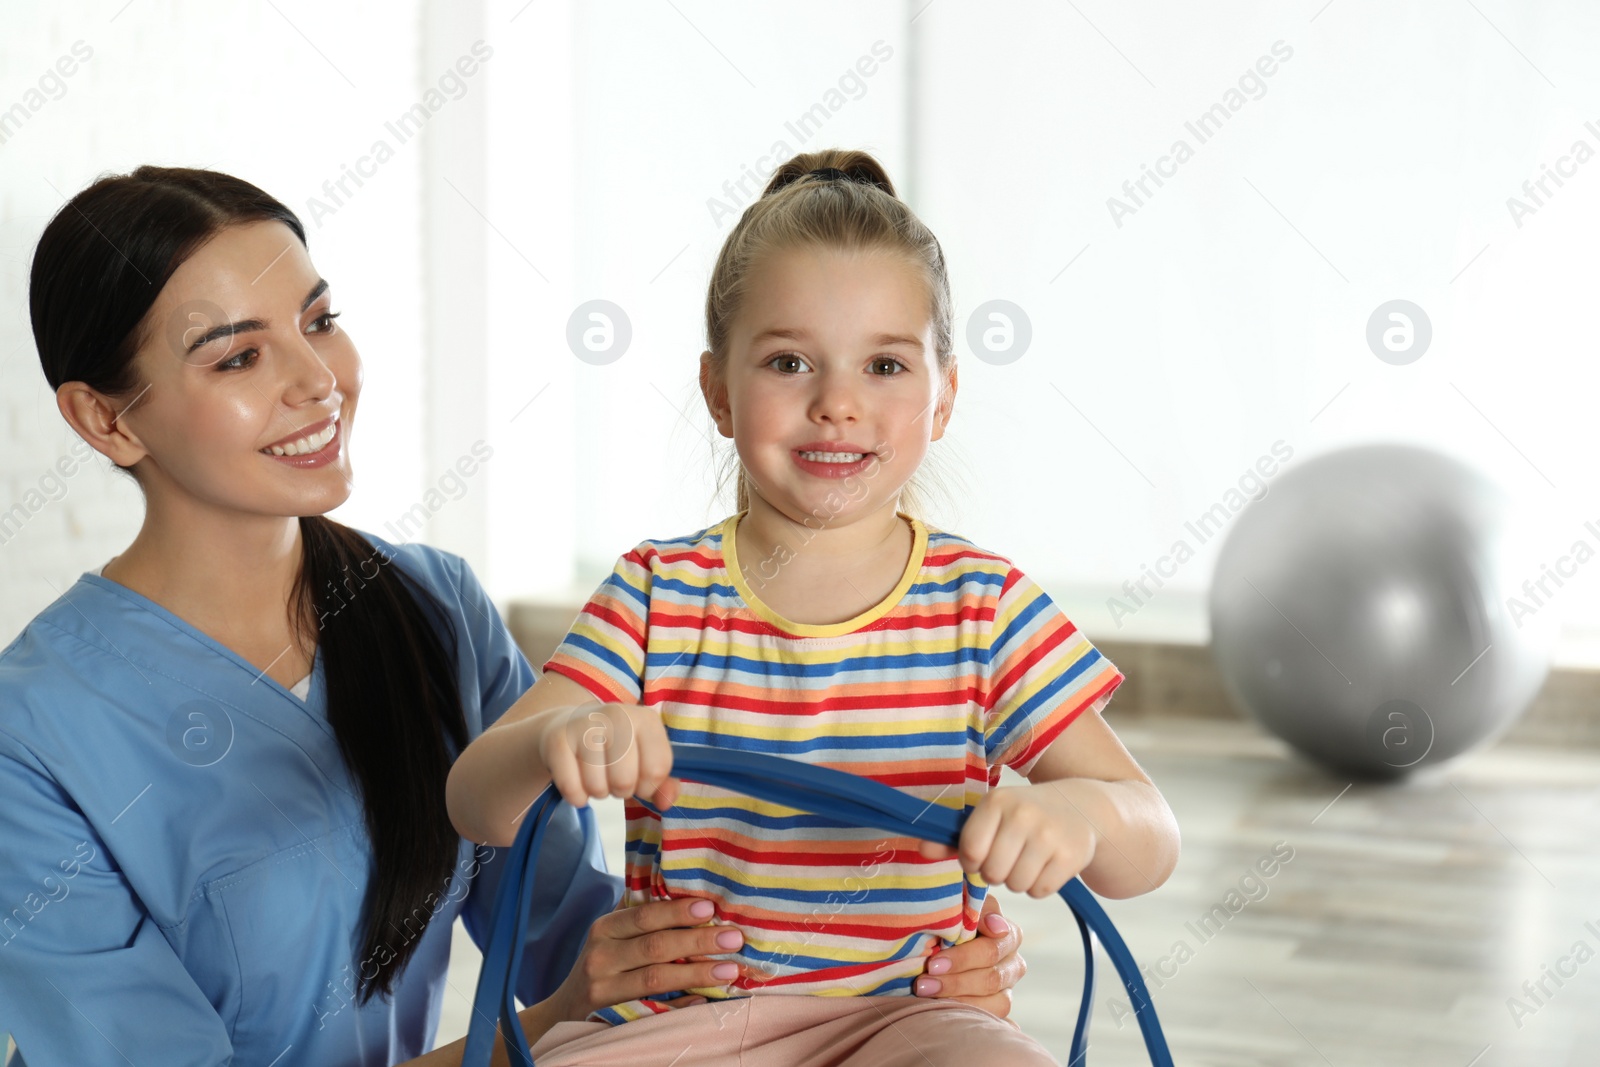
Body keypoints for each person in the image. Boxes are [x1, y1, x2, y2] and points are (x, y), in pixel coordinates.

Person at [0, 166, 1027, 1066]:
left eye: (318, 321)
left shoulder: (433, 609)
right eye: (237, 356)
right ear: (104, 415)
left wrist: (912, 979)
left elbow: (587, 941)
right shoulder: (34, 732)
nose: (318, 380)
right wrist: (558, 1016)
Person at [445, 149, 1182, 1065]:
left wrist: (1083, 816)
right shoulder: (653, 594)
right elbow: (476, 802)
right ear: (717, 390)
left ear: (944, 396)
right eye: (790, 361)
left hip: (913, 1019)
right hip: (682, 1025)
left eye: (883, 364)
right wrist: (560, 740)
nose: (837, 403)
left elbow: (1148, 836)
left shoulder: (982, 606)